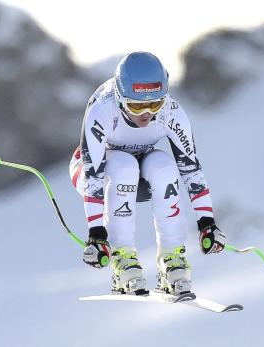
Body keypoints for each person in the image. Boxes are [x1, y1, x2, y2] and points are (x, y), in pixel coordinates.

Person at [69, 51, 226, 296]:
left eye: (155, 104)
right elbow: (93, 174)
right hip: (92, 172)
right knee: (123, 166)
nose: (146, 114)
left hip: (140, 172)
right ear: (120, 98)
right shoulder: (102, 110)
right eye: (136, 105)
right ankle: (123, 260)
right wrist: (97, 234)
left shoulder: (171, 112)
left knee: (164, 165)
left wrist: (207, 223)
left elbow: (191, 170)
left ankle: (172, 260)